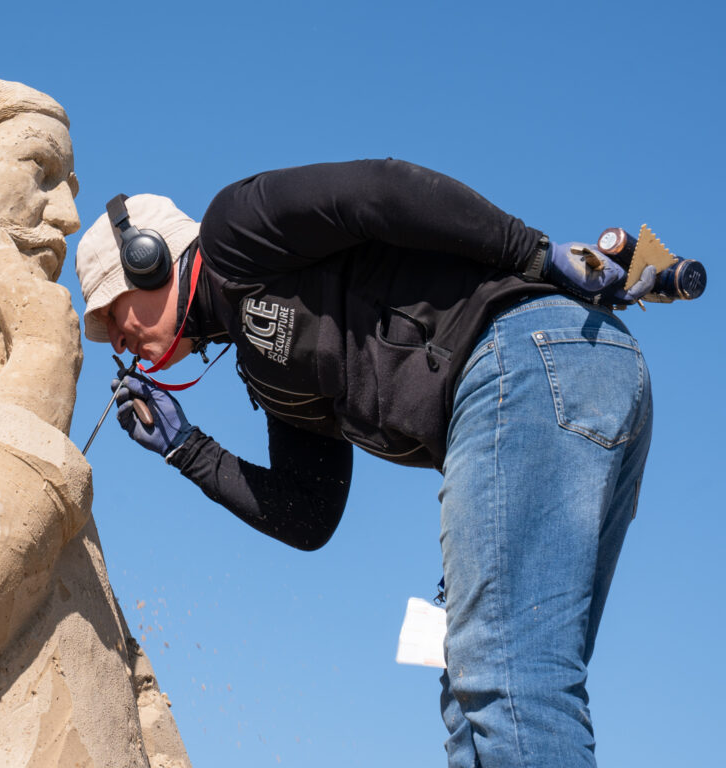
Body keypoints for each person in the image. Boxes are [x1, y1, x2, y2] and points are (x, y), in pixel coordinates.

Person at [74, 160, 655, 768]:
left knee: (506, 671)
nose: (117, 339)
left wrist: (535, 254)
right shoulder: (268, 377)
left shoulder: (234, 231)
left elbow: (382, 191)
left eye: (114, 313)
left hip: (526, 352)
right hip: (575, 376)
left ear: (149, 258)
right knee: (472, 690)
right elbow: (309, 515)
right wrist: (186, 448)